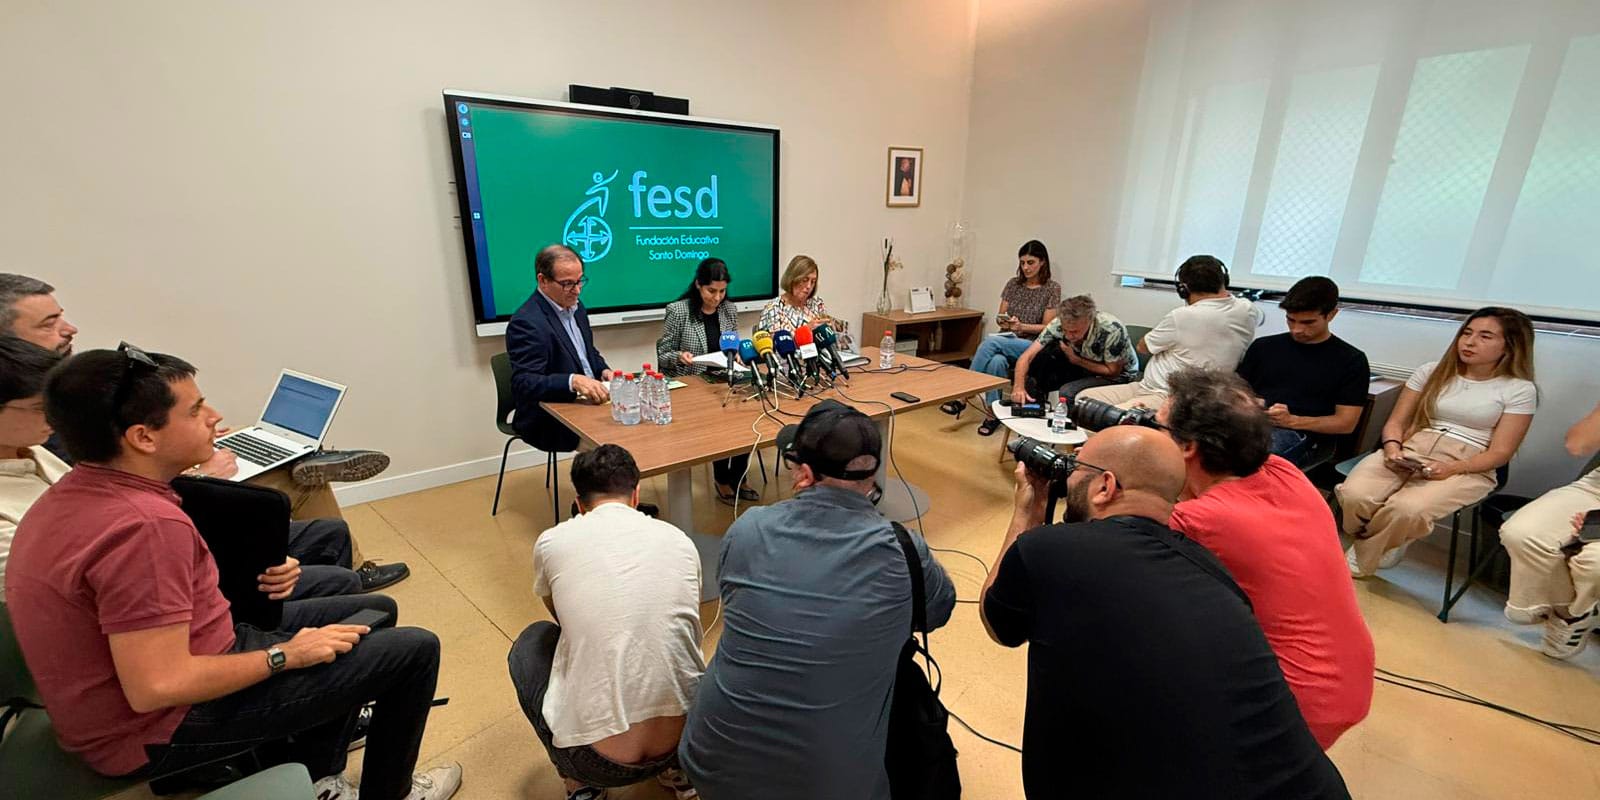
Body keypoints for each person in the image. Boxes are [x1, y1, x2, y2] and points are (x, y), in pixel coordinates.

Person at [5, 345, 459, 799]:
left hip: (167, 675)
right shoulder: (145, 526)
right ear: (143, 437)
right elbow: (156, 686)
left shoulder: (79, 488)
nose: (214, 417)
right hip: (154, 730)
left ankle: (320, 775)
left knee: (373, 609)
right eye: (195, 410)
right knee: (413, 652)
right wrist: (284, 656)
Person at [979, 426, 1349, 799]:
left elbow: (998, 623)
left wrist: (1027, 510)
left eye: (1076, 469)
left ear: (1105, 486)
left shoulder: (1049, 549)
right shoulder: (1210, 567)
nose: (1068, 477)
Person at [679, 400, 955, 799]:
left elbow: (739, 597)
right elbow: (938, 611)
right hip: (831, 785)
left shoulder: (748, 529)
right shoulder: (905, 551)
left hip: (711, 760)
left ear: (804, 474)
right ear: (873, 473)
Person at [0, 273, 392, 522]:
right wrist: (198, 473)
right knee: (300, 480)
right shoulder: (38, 413)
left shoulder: (65, 386)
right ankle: (342, 566)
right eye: (49, 323)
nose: (70, 328)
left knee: (267, 453)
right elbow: (109, 489)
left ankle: (300, 468)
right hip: (160, 497)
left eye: (62, 315)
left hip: (156, 475)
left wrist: (187, 437)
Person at [1161, 368, 1374, 749]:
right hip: (1348, 678)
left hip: (1297, 699)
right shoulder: (1283, 471)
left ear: (1188, 446)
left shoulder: (1201, 520)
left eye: (1159, 428)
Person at [507, 444, 703, 800]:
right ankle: (680, 772)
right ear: (636, 495)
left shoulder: (552, 542)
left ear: (579, 503)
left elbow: (560, 617)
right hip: (689, 738)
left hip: (596, 761)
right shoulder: (680, 540)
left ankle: (581, 784)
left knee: (532, 643)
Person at [1338, 307, 1537, 576]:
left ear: (1510, 346)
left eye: (1485, 336)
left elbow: (1501, 453)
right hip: (1412, 447)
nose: (1469, 342)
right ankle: (1393, 537)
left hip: (1468, 463)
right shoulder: (1431, 371)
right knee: (1354, 495)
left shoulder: (1519, 389)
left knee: (1406, 509)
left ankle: (1368, 552)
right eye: (1467, 333)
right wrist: (1392, 449)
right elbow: (1396, 423)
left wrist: (1452, 468)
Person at [1077, 254, 1260, 413]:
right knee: (1084, 399)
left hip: (1171, 396)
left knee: (1104, 415)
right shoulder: (1248, 310)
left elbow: (1143, 347)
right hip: (1146, 387)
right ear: (1224, 281)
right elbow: (1252, 315)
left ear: (1183, 289)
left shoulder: (1182, 316)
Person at [1497, 400, 1600, 658]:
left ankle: (1573, 614)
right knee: (1520, 533)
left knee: (1593, 563)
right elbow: (1577, 445)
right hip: (1595, 488)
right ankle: (1571, 615)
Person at [1236, 277, 1370, 468]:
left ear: (1331, 314)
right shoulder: (1263, 347)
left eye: (1308, 322)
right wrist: (1249, 402)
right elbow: (1237, 390)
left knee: (1250, 457)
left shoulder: (1351, 360)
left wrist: (1293, 421)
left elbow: (1345, 423)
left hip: (1305, 435)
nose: (1297, 329)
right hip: (1252, 423)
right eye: (1291, 320)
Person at [655, 258, 754, 504]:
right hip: (695, 384)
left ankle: (739, 476)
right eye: (711, 291)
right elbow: (663, 354)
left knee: (746, 418)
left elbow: (733, 345)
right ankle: (721, 479)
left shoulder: (729, 310)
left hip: (725, 379)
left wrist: (737, 355)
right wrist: (680, 356)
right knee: (720, 421)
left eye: (722, 291)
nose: (717, 297)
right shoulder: (678, 311)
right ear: (699, 285)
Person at [944, 240, 1062, 435]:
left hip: (1032, 345)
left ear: (1042, 262)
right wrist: (1007, 322)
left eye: (1030, 262)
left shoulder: (1052, 288)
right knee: (996, 361)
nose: (1025, 267)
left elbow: (1048, 328)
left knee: (990, 342)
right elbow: (1000, 317)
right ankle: (992, 415)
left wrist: (1022, 326)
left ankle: (964, 394)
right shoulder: (1013, 284)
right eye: (1022, 263)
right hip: (1007, 338)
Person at [507, 245, 615, 454]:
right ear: (543, 280)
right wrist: (573, 381)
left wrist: (604, 370)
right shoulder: (527, 322)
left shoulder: (577, 307)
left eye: (580, 281)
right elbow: (525, 382)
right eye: (567, 284)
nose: (577, 290)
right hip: (549, 416)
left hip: (590, 403)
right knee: (616, 449)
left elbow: (587, 352)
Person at [1005, 294, 1138, 411]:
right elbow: (1027, 356)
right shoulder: (1058, 323)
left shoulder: (1111, 329)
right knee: (1038, 366)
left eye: (1074, 331)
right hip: (1082, 363)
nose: (1069, 336)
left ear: (1089, 321)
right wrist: (1018, 387)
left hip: (1117, 375)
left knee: (1067, 392)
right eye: (1065, 330)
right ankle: (1032, 413)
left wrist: (1076, 360)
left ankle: (1069, 427)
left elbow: (1112, 371)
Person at [756, 254, 836, 334]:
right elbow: (774, 341)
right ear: (793, 279)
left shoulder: (817, 303)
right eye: (805, 280)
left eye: (813, 282)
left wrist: (831, 329)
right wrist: (805, 331)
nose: (809, 286)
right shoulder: (774, 309)